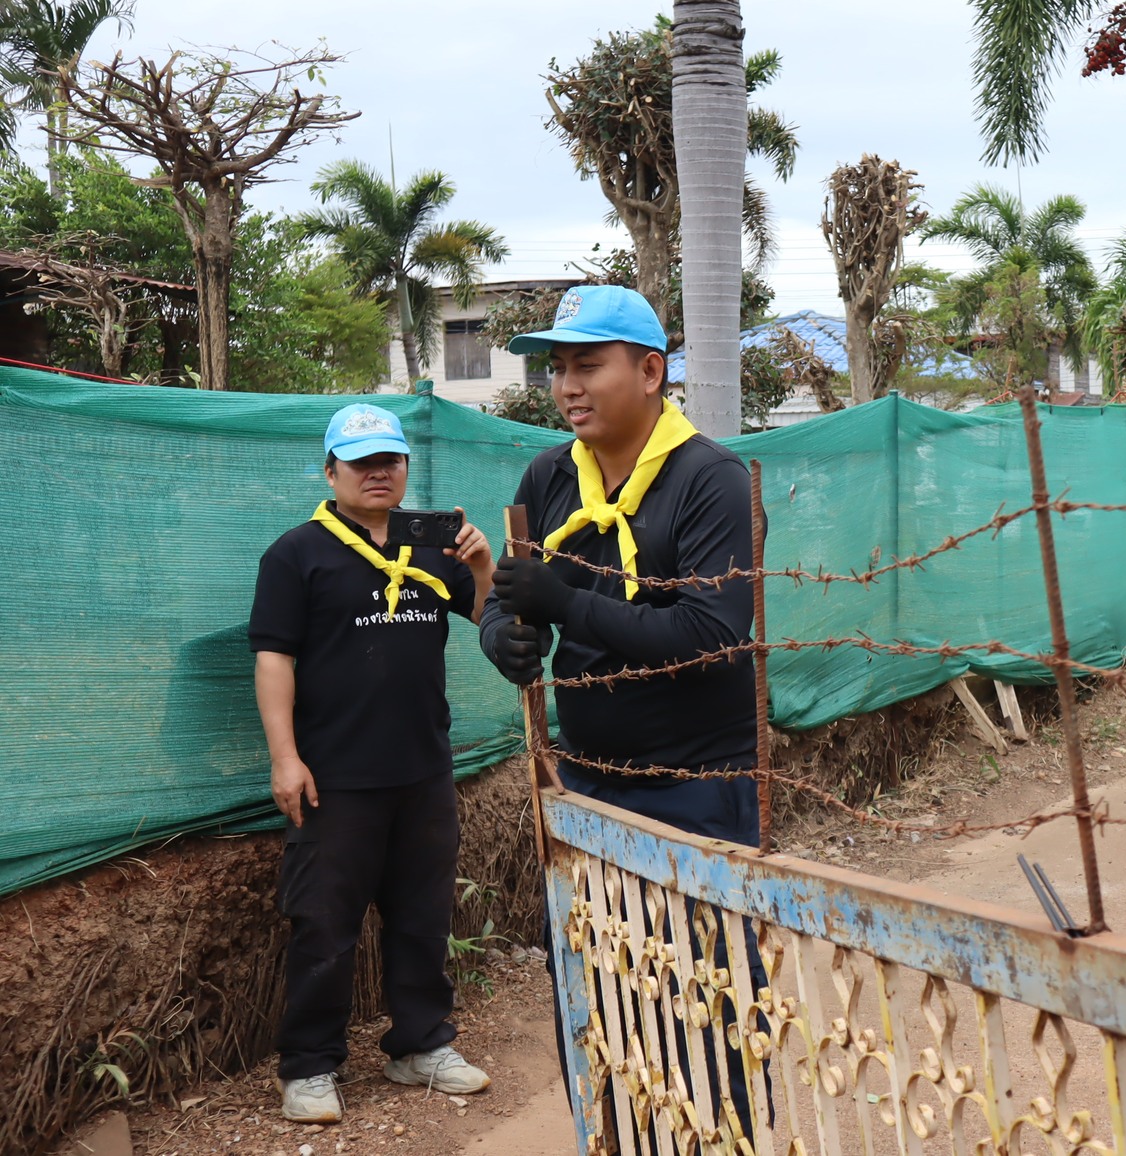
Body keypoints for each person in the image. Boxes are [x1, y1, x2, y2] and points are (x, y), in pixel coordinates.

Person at [477, 284, 761, 1124]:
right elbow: (509, 596)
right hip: (587, 786)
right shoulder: (549, 476)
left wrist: (566, 605)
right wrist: (501, 635)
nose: (567, 386)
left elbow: (711, 634)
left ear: (649, 372)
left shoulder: (710, 480)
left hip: (698, 789)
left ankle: (725, 1136)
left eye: (587, 365)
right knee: (597, 997)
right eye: (558, 368)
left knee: (709, 998)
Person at [248, 404, 496, 1124]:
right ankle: (309, 1066)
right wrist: (285, 758)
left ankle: (420, 1044)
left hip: (424, 769)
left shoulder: (435, 546)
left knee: (423, 917)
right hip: (334, 777)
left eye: (390, 460)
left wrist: (482, 565)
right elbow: (274, 659)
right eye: (360, 463)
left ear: (406, 468)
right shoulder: (297, 554)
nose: (378, 473)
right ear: (331, 473)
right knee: (324, 926)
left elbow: (488, 619)